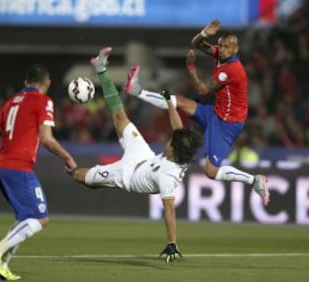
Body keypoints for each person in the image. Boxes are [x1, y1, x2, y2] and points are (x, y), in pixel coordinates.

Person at [67, 47, 203, 263]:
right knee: (120, 116)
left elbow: (169, 211)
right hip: (143, 157)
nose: (166, 142)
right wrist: (169, 102)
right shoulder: (177, 150)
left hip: (126, 175)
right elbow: (178, 129)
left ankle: (70, 169)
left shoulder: (168, 177)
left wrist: (172, 244)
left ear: (173, 150)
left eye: (169, 143)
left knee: (81, 177)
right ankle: (101, 68)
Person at [124, 19, 270, 206]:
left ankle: (255, 180)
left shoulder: (232, 69)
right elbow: (197, 44)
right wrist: (204, 34)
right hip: (218, 112)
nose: (223, 49)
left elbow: (201, 89)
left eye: (227, 47)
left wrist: (191, 68)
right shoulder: (221, 55)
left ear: (236, 49)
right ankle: (136, 91)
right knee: (181, 102)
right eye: (221, 45)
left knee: (211, 171)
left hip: (227, 123)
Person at [0, 64, 77, 280]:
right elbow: (47, 140)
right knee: (40, 218)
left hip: (2, 167)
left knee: (25, 218)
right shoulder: (43, 101)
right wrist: (67, 157)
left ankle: (1, 266)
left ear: (26, 82)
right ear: (47, 83)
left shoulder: (12, 101)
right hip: (18, 168)